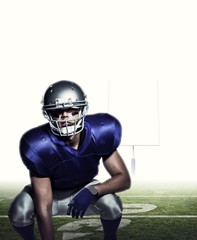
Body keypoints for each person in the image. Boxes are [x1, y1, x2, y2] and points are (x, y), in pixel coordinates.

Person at [8, 80, 131, 240]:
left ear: (82, 110)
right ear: (48, 114)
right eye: (57, 112)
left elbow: (123, 179)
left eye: (72, 110)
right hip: (51, 194)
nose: (65, 117)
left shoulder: (101, 131)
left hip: (85, 186)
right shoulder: (38, 144)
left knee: (113, 205)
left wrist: (92, 191)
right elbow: (44, 208)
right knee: (19, 211)